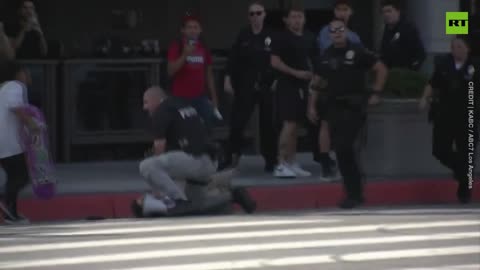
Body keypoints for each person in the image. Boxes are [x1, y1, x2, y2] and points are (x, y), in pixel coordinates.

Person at [132, 87, 256, 217]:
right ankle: (233, 195)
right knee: (196, 205)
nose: (144, 107)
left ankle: (178, 200)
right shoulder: (182, 106)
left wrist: (157, 186)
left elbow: (159, 146)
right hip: (208, 161)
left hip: (196, 161)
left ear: (158, 100)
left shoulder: (162, 110)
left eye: (146, 102)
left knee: (147, 165)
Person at [309, 19, 388, 209]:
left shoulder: (358, 50)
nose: (337, 33)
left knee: (345, 147)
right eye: (333, 31)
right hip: (333, 107)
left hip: (353, 106)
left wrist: (376, 92)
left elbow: (381, 69)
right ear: (329, 34)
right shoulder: (326, 56)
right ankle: (354, 192)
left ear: (346, 31)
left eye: (340, 30)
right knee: (341, 151)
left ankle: (354, 191)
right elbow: (316, 83)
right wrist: (311, 106)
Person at [220, 1, 278, 172]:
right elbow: (233, 58)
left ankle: (271, 160)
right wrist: (227, 79)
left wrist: (277, 80)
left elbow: (278, 60)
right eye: (252, 14)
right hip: (245, 85)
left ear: (264, 14)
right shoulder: (243, 34)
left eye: (258, 13)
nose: (255, 16)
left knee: (268, 124)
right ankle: (231, 157)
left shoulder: (271, 35)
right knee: (237, 123)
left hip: (267, 85)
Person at [419, 37, 478, 204]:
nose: (456, 50)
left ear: (467, 48)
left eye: (459, 47)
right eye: (453, 47)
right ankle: (461, 171)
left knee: (467, 153)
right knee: (439, 150)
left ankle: (464, 192)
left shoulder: (475, 66)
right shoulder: (443, 63)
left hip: (468, 115)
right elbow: (432, 83)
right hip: (445, 114)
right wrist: (424, 98)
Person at [314, 0, 363, 181]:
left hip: (351, 88)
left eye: (346, 10)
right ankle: (326, 164)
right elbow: (328, 57)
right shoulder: (327, 32)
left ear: (351, 12)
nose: (342, 13)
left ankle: (347, 164)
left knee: (348, 127)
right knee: (326, 123)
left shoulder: (355, 37)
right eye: (339, 9)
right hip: (330, 85)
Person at [270, 6, 316, 178]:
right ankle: (280, 163)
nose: (297, 19)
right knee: (288, 124)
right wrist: (296, 73)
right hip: (286, 85)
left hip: (304, 86)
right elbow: (274, 61)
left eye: (300, 16)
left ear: (304, 19)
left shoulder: (309, 37)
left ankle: (292, 161)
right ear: (286, 20)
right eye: (293, 16)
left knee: (296, 126)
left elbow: (313, 59)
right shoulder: (281, 37)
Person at [0, 61, 40, 224]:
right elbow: (16, 109)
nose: (28, 76)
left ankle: (12, 213)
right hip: (9, 142)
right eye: (26, 72)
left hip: (4, 141)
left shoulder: (3, 87)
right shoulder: (16, 86)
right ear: (17, 73)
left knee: (13, 177)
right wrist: (33, 126)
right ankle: (5, 203)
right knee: (21, 176)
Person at [167, 14, 221, 129]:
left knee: (209, 124)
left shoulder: (203, 47)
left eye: (196, 27)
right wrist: (185, 55)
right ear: (183, 30)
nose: (192, 30)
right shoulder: (176, 46)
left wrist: (214, 98)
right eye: (189, 27)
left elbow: (209, 75)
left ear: (200, 30)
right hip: (180, 98)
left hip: (200, 97)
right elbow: (170, 71)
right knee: (184, 128)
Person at [380, 0, 425, 71]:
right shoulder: (386, 30)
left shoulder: (408, 28)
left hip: (405, 74)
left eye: (389, 11)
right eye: (384, 12)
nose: (386, 14)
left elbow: (420, 54)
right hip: (390, 74)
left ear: (398, 12)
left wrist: (411, 70)